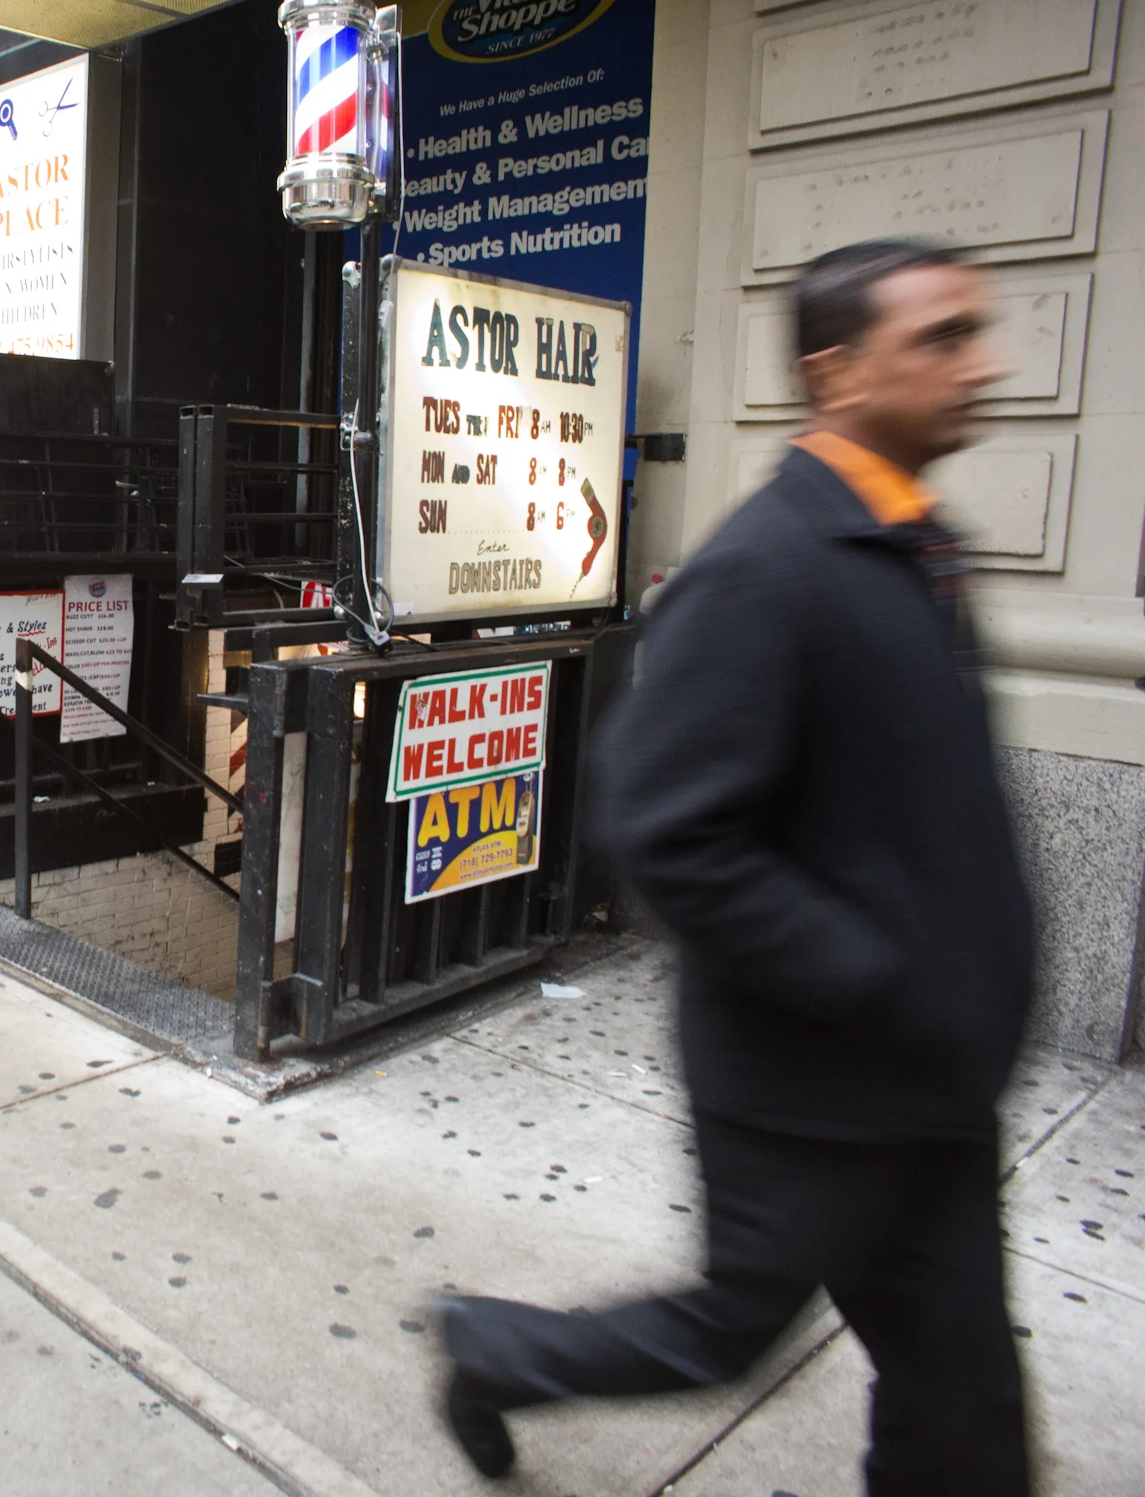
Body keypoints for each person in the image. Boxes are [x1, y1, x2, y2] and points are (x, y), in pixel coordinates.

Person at [430, 239, 1034, 1492]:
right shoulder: (766, 569)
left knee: (960, 1396)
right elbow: (662, 825)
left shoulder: (912, 547)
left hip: (925, 1081)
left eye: (975, 331)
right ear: (836, 371)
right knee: (728, 1331)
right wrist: (873, 974)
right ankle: (487, 1348)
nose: (981, 364)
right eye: (941, 338)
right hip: (812, 1087)